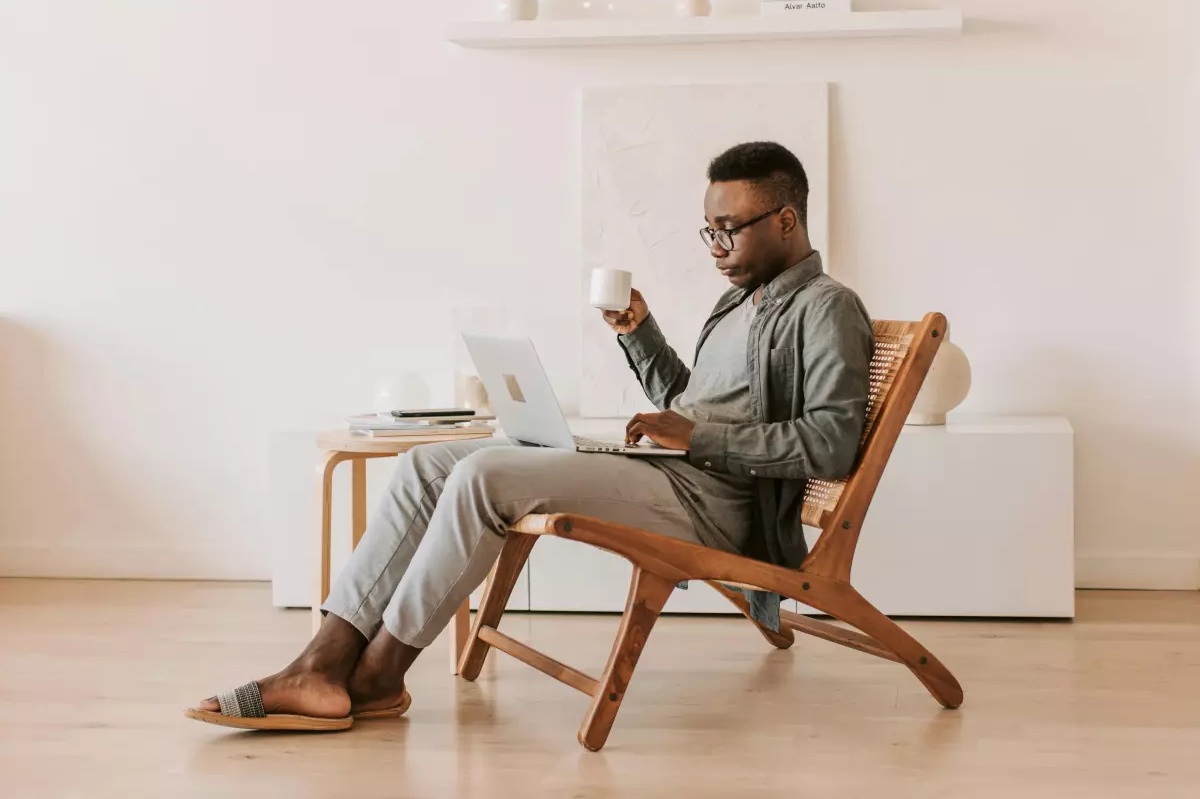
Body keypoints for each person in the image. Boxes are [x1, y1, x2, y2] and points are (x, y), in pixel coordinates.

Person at [187, 141, 874, 731]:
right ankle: (320, 662)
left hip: (717, 505)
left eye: (731, 228)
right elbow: (689, 403)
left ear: (785, 219)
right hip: (672, 473)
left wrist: (695, 440)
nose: (717, 246)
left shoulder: (827, 308)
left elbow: (831, 444)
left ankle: (378, 675)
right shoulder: (738, 301)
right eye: (709, 230)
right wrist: (640, 335)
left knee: (487, 478)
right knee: (431, 466)